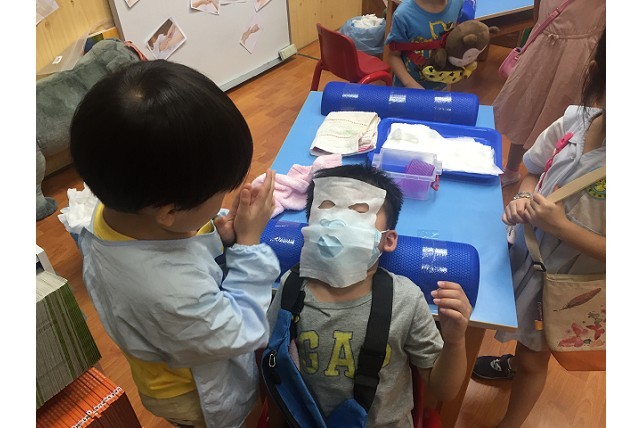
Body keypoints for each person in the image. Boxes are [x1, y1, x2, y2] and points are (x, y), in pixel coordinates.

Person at [69, 60, 281, 428]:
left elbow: (179, 241)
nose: (223, 198)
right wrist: (248, 244)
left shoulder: (118, 211)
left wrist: (217, 235)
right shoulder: (165, 290)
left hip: (174, 346)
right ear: (169, 211)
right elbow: (241, 330)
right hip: (196, 393)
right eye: (220, 193)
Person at [265, 164, 472, 426]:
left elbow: (443, 389)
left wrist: (455, 341)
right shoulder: (291, 287)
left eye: (358, 212)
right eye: (327, 207)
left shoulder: (405, 299)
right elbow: (274, 362)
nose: (339, 223)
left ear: (388, 240)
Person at [472, 29, 606, 427]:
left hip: (568, 282)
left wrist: (561, 227)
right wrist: (523, 197)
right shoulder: (575, 121)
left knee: (534, 358)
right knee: (502, 317)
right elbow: (531, 170)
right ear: (596, 73)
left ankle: (510, 421)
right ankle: (512, 360)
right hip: (523, 253)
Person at [495, 0, 605, 187]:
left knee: (558, 119)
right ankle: (512, 169)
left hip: (576, 56)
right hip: (543, 46)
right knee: (525, 110)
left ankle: (544, 181)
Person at [385, 0, 464, 91]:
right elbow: (393, 56)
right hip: (408, 89)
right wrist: (409, 83)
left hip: (441, 88)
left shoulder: (457, 3)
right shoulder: (403, 14)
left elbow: (453, 39)